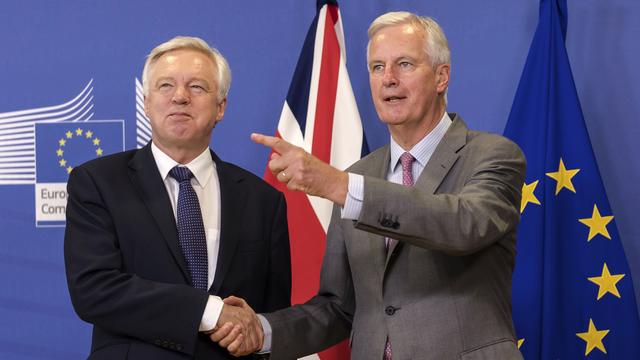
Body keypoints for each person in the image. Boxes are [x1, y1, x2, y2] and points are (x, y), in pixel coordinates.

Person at [213, 11, 526, 360]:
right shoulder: (358, 174)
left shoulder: (492, 155)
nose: (388, 79)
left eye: (404, 64)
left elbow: (463, 225)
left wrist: (340, 185)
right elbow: (339, 308)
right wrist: (263, 330)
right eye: (377, 67)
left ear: (441, 77)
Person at [64, 36, 291, 359]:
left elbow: (271, 317)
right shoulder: (98, 183)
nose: (180, 97)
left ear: (221, 107)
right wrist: (210, 312)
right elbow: (94, 290)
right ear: (146, 102)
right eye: (166, 86)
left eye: (197, 87)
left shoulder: (263, 200)